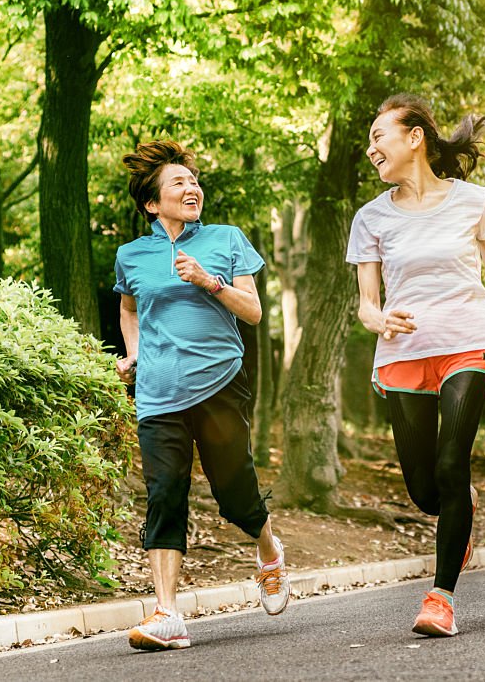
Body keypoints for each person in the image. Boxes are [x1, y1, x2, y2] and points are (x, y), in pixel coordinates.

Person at [346, 94, 485, 637]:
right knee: (423, 490)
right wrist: (379, 320)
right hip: (404, 353)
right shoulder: (371, 217)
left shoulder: (473, 201)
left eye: (378, 135)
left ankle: (440, 598)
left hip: (469, 341)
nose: (371, 148)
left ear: (414, 137)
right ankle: (462, 511)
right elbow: (367, 303)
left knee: (450, 465)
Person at [114, 140, 290, 651]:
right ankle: (168, 613)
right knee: (164, 494)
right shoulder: (133, 255)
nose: (192, 188)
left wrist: (209, 281)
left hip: (218, 383)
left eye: (194, 181)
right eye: (179, 183)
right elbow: (129, 309)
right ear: (153, 203)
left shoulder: (224, 239)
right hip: (157, 392)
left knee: (234, 493)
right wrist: (135, 353)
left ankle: (269, 551)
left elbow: (253, 312)